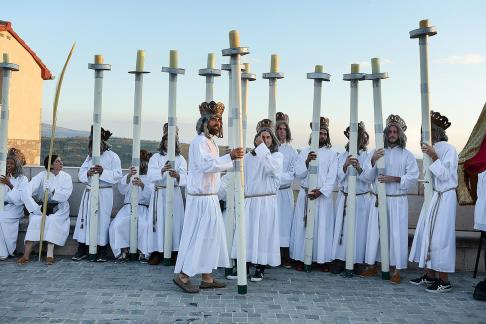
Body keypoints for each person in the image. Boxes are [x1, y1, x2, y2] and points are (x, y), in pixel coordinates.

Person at [173, 101, 244, 293]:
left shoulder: (212, 142)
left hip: (210, 197)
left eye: (219, 120)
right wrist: (230, 157)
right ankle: (183, 276)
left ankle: (207, 277)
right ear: (204, 121)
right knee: (200, 237)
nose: (217, 123)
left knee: (211, 237)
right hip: (200, 199)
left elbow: (214, 172)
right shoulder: (198, 142)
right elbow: (207, 166)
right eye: (214, 120)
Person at [360, 115, 419, 283]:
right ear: (385, 134)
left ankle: (395, 269)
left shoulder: (407, 155)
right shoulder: (377, 152)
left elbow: (414, 176)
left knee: (396, 234)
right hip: (380, 200)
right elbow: (365, 178)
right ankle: (372, 265)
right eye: (389, 131)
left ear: (400, 134)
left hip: (397, 200)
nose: (392, 134)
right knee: (375, 233)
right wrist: (372, 161)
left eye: (395, 131)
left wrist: (396, 178)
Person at [409, 111, 458, 293]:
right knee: (427, 234)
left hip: (445, 197)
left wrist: (434, 156)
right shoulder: (432, 149)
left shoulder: (449, 149)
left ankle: (444, 281)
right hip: (435, 196)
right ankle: (430, 275)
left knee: (440, 238)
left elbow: (445, 175)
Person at [230, 119, 283, 281]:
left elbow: (271, 169)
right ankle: (243, 267)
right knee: (246, 233)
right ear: (256, 139)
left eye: (268, 138)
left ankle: (260, 268)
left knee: (263, 234)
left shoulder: (276, 156)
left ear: (272, 140)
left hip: (266, 201)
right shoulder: (248, 157)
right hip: (250, 200)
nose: (265, 140)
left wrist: (262, 149)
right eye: (262, 137)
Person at [289, 117, 337, 272]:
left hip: (321, 197)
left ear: (327, 136)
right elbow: (299, 174)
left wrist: (321, 191)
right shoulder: (304, 152)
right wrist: (307, 161)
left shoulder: (332, 154)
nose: (321, 136)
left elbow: (332, 176)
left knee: (322, 228)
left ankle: (321, 260)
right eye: (319, 133)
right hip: (306, 195)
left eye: (324, 133)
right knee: (303, 228)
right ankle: (301, 258)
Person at [72, 127, 122, 262]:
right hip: (89, 192)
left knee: (102, 220)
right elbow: (81, 173)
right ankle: (82, 248)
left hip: (104, 192)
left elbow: (118, 175)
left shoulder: (113, 156)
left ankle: (102, 250)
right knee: (85, 219)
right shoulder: (89, 157)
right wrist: (87, 173)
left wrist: (103, 171)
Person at [331, 122, 371, 274]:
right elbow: (339, 178)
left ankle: (358, 261)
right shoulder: (342, 155)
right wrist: (345, 165)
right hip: (345, 198)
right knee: (343, 229)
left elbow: (369, 178)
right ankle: (340, 259)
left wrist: (360, 168)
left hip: (361, 198)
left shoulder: (367, 156)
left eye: (360, 137)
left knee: (359, 231)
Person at [19, 155, 73, 265]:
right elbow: (27, 191)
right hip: (42, 207)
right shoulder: (42, 176)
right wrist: (34, 208)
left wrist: (53, 191)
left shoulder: (66, 177)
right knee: (35, 220)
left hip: (60, 208)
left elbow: (65, 196)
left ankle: (49, 254)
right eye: (58, 161)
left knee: (52, 221)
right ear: (51, 165)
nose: (61, 163)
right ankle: (26, 255)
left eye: (61, 161)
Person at [146, 124, 187, 264]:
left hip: (174, 194)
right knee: (159, 222)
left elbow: (185, 177)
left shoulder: (180, 159)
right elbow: (150, 175)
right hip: (160, 194)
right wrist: (162, 170)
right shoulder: (155, 158)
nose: (168, 144)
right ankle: (158, 251)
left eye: (172, 141)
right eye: (166, 141)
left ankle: (175, 251)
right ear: (162, 142)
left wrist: (178, 176)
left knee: (175, 223)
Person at [109, 150, 152, 263]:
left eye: (144, 163)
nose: (142, 166)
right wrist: (128, 176)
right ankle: (123, 251)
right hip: (127, 208)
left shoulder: (151, 177)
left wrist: (142, 185)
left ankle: (144, 252)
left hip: (142, 208)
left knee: (145, 225)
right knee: (117, 225)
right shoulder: (130, 175)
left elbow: (151, 196)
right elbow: (122, 190)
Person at [275, 112, 298, 268]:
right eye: (279, 128)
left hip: (284, 192)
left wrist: (276, 177)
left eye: (284, 129)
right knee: (272, 223)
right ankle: (272, 255)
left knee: (285, 224)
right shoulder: (272, 149)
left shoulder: (292, 151)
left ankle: (285, 256)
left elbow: (291, 174)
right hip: (272, 193)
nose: (282, 131)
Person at [0, 148, 28, 260]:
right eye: (7, 163)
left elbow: (20, 199)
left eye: (11, 163)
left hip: (15, 208)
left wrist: (9, 184)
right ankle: (3, 250)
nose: (8, 166)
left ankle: (5, 251)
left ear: (17, 165)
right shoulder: (2, 175)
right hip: (2, 207)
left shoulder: (22, 179)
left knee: (1, 219)